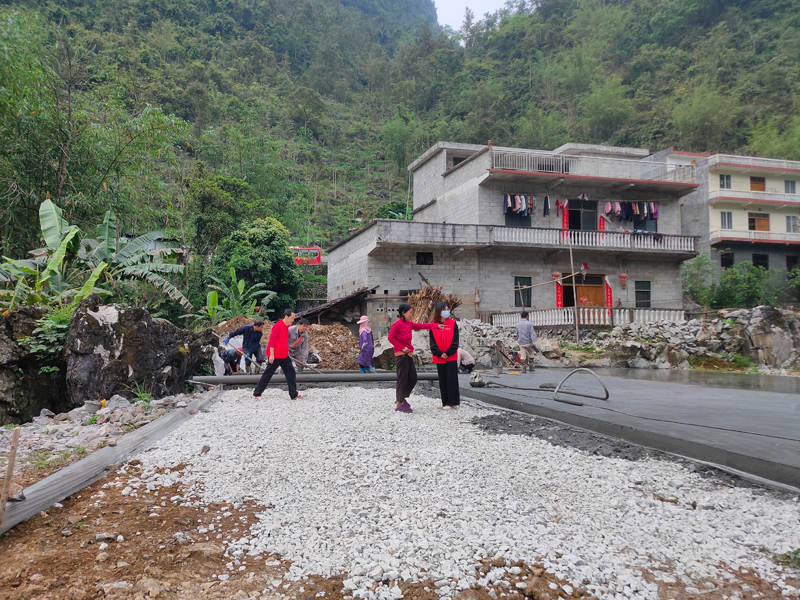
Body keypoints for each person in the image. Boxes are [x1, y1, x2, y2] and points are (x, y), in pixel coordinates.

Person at [387, 303, 441, 413]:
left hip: (408, 354)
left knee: (413, 377)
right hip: (401, 355)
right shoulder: (397, 324)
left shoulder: (408, 324)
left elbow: (421, 326)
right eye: (410, 312)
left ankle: (401, 398)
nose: (412, 314)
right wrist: (402, 347)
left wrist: (436, 326)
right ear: (403, 313)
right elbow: (390, 338)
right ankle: (399, 403)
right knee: (402, 379)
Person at [253, 309, 302, 401]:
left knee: (291, 373)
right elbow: (272, 341)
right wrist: (271, 355)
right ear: (286, 317)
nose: (293, 320)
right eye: (292, 318)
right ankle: (257, 393)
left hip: (284, 355)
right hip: (275, 356)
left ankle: (293, 394)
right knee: (268, 374)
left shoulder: (286, 327)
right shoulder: (277, 326)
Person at [429, 303, 460, 409]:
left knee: (451, 379)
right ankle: (445, 402)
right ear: (439, 312)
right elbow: (432, 343)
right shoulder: (433, 326)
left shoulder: (453, 324)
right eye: (445, 310)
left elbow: (455, 342)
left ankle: (453, 403)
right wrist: (439, 353)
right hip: (439, 358)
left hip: (450, 357)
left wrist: (447, 353)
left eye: (447, 309)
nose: (447, 311)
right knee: (442, 380)